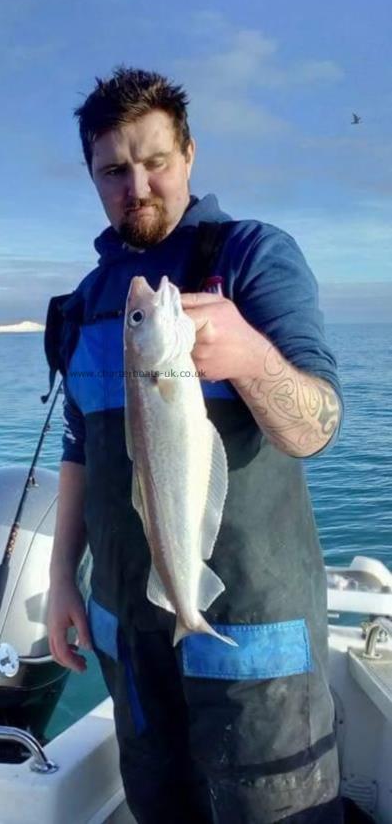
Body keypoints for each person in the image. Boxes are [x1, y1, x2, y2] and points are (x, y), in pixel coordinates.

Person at [47, 67, 344, 823]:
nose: (135, 185)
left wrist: (250, 357)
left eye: (155, 160)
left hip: (253, 626)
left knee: (272, 808)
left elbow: (315, 427)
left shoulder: (251, 256)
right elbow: (80, 449)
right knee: (157, 802)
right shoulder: (85, 302)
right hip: (125, 623)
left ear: (188, 155)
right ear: (91, 177)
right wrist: (60, 584)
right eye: (113, 169)